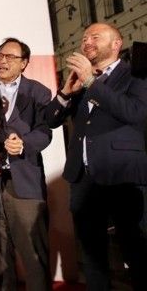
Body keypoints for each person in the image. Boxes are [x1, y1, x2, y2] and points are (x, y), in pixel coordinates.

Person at [45, 22, 147, 290]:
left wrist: (92, 82)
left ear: (116, 44)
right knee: (92, 255)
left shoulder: (135, 74)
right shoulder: (80, 80)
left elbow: (135, 113)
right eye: (84, 38)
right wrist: (66, 92)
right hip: (83, 179)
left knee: (135, 250)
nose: (86, 42)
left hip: (122, 176)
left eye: (95, 37)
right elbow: (51, 120)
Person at [0, 38, 52, 291]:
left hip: (25, 181)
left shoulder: (39, 92)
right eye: (0, 55)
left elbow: (44, 132)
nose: (3, 61)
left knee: (34, 254)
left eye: (10, 57)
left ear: (24, 63)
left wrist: (23, 144)